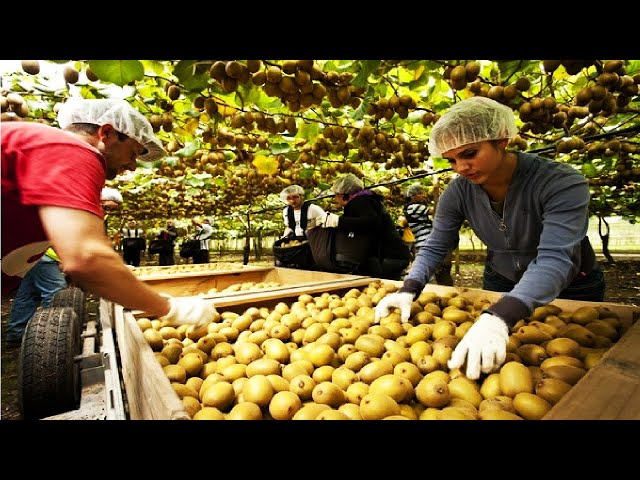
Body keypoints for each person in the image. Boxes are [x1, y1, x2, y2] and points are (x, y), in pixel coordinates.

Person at [375, 96, 605, 380]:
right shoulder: (458, 193)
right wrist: (409, 287)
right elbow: (436, 245)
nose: (460, 167)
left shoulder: (561, 183)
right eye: (451, 160)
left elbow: (556, 258)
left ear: (502, 140)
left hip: (572, 284)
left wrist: (500, 315)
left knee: (577, 361)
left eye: (470, 154)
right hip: (501, 279)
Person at [2, 97, 218, 330]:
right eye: (133, 153)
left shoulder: (51, 151)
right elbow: (86, 258)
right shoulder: (72, 150)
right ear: (106, 133)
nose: (134, 166)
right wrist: (169, 309)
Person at [320, 173, 411, 280]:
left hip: (387, 256)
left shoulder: (360, 202)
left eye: (336, 195)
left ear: (343, 194)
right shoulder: (368, 200)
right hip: (392, 254)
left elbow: (370, 222)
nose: (335, 199)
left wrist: (337, 221)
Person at [5, 248, 68, 346]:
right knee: (56, 294)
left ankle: (17, 333)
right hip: (43, 256)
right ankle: (53, 333)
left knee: (29, 295)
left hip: (29, 256)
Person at [404, 182, 454, 286]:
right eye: (420, 193)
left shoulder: (415, 208)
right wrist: (436, 195)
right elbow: (436, 212)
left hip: (424, 245)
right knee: (431, 275)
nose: (423, 195)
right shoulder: (414, 207)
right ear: (412, 196)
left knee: (433, 274)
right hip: (425, 245)